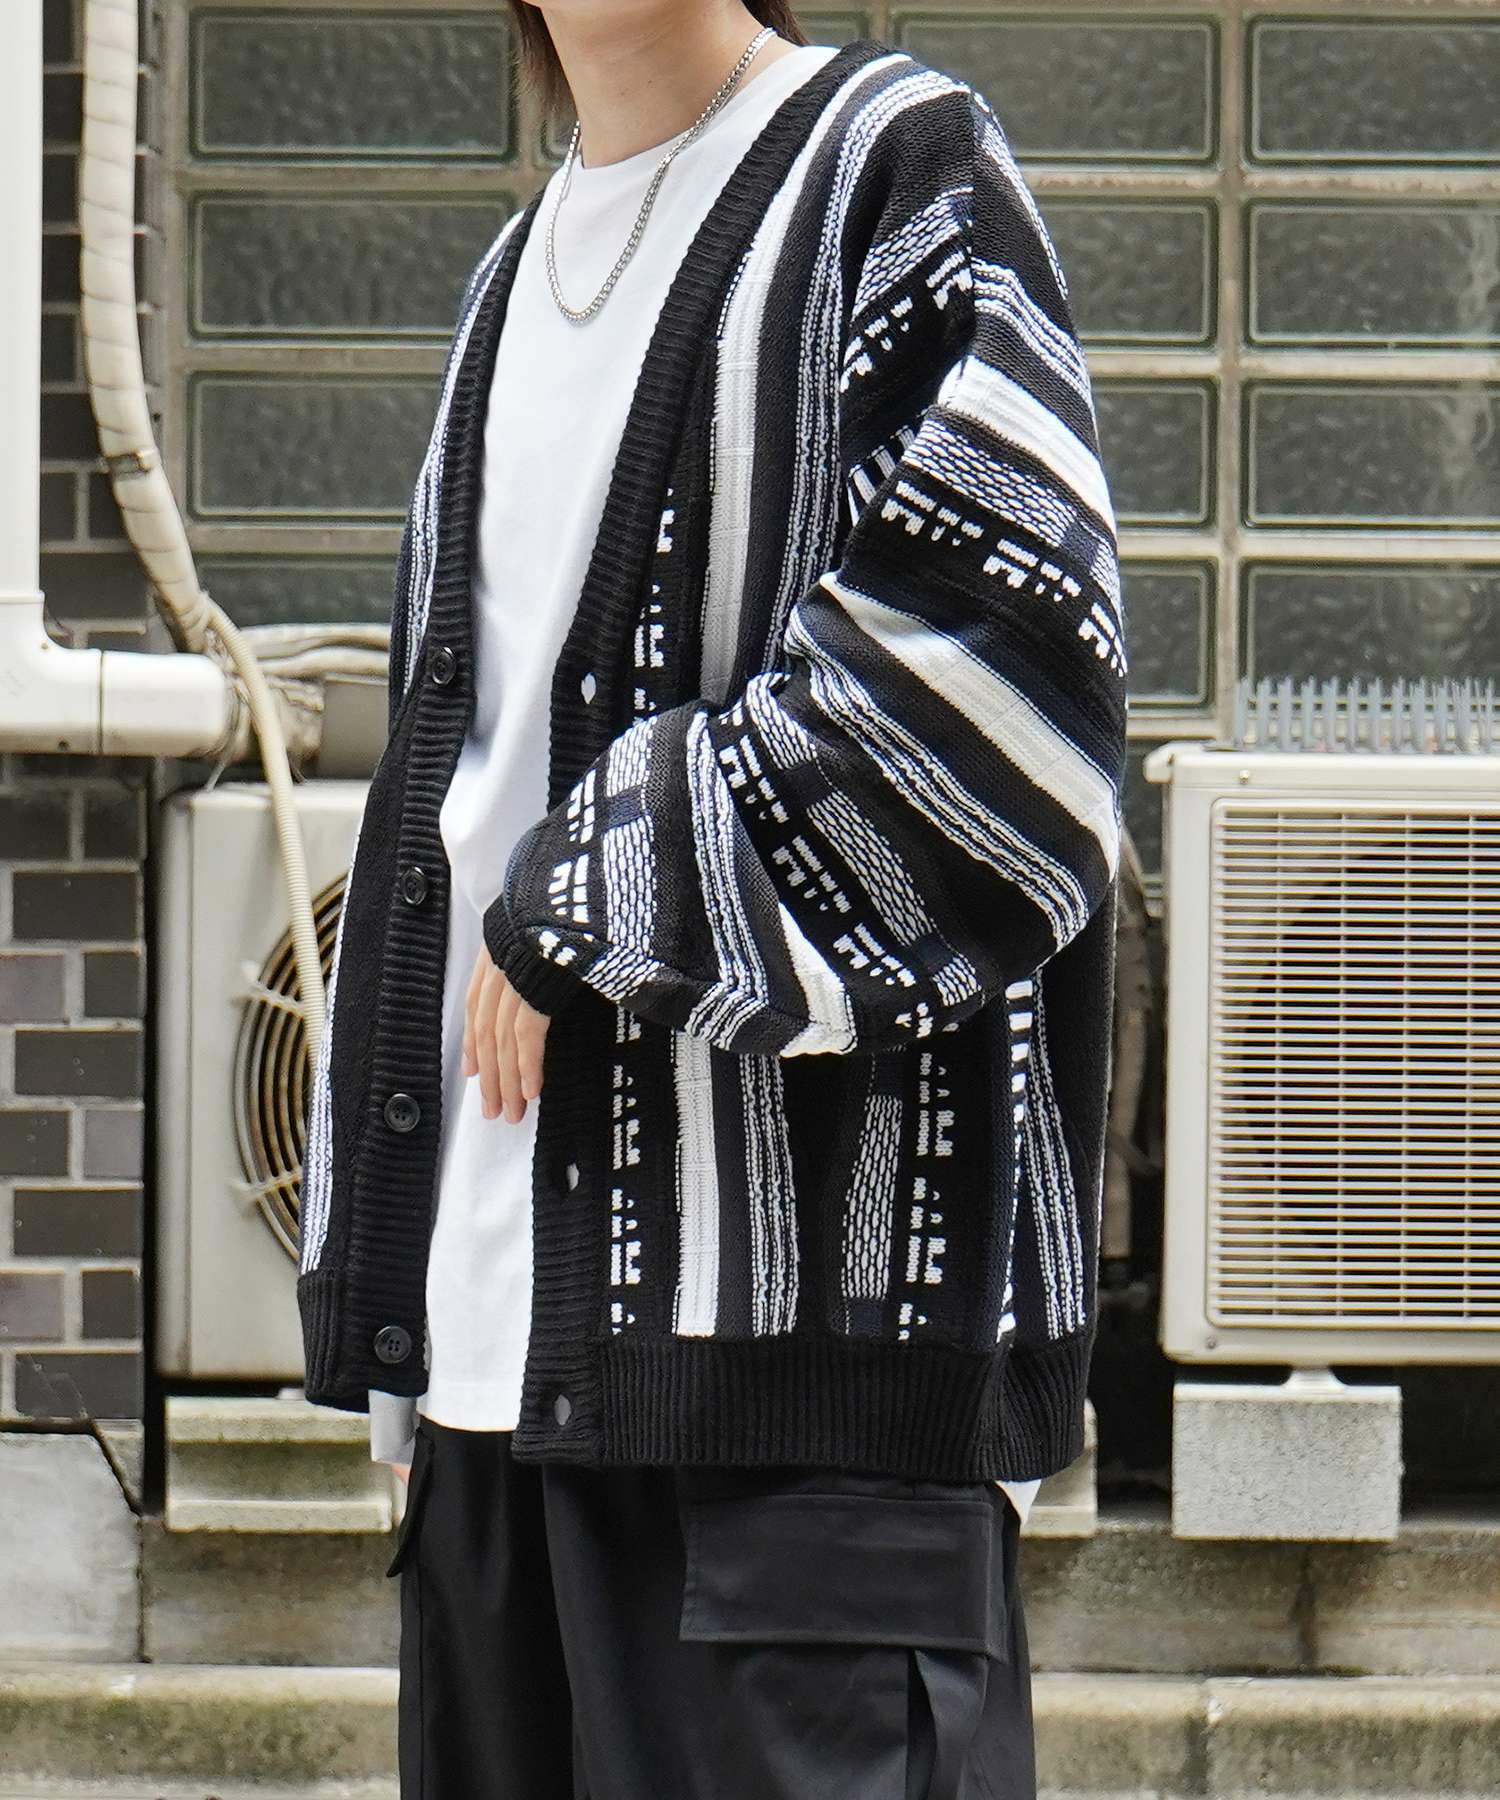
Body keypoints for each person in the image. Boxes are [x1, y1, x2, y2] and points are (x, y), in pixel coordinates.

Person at [296, 3, 1128, 1794]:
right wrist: (408, 1303)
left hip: (796, 1421)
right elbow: (456, 787)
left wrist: (598, 886)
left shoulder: (893, 171)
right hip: (496, 1400)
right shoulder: (515, 275)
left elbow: (1009, 687)